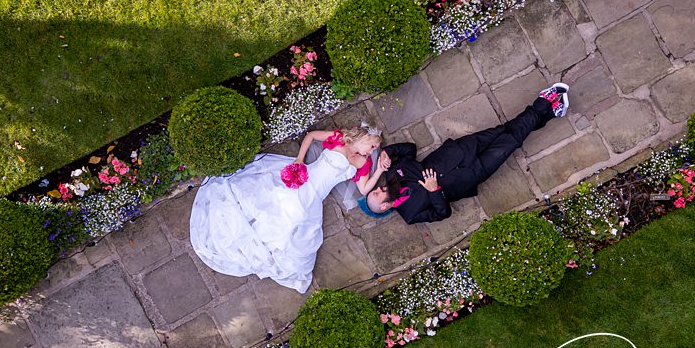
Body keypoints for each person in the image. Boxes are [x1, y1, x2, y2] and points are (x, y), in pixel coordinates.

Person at [189, 125, 385, 293]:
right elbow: (311, 136)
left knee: (296, 218)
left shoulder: (363, 163)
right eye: (372, 145)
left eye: (375, 148)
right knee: (277, 200)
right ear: (364, 137)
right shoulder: (339, 138)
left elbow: (364, 189)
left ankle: (262, 236)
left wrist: (379, 170)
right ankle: (254, 223)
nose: (372, 151)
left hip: (315, 197)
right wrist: (299, 159)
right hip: (304, 177)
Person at [361, 83, 570, 224]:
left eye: (375, 191)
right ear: (385, 206)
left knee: (504, 130)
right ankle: (544, 102)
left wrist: (387, 152)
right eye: (378, 196)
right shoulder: (410, 214)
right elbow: (443, 213)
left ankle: (550, 111)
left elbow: (409, 150)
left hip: (459, 150)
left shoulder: (392, 173)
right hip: (470, 174)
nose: (379, 189)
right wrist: (433, 191)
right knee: (512, 140)